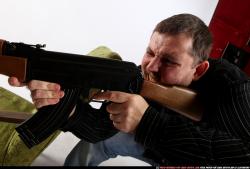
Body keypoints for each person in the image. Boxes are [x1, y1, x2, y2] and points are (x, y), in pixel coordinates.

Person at [8, 13, 250, 165]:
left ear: (198, 70)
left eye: (168, 61)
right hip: (153, 146)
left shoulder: (233, 87)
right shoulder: (141, 75)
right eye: (150, 52)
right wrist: (65, 106)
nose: (151, 66)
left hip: (190, 158)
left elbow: (240, 154)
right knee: (98, 144)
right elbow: (100, 130)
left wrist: (147, 122)